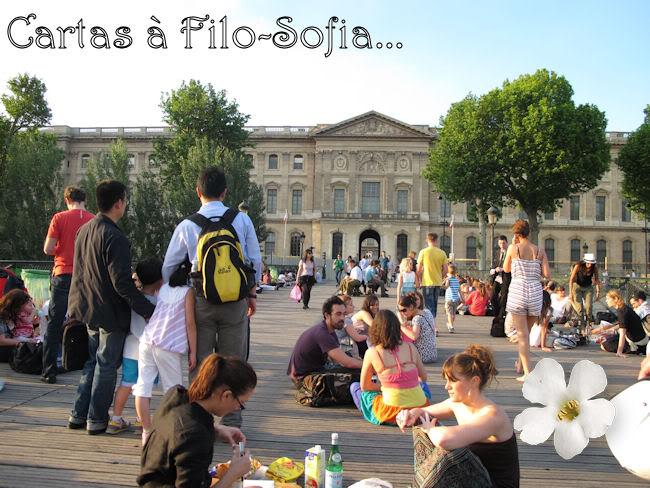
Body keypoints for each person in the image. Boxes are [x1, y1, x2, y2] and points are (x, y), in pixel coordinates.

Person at [162, 167, 261, 429]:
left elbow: (168, 267)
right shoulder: (241, 220)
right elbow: (253, 260)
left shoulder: (187, 225)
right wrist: (251, 293)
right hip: (235, 299)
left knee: (201, 361)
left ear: (198, 193)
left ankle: (198, 419)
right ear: (225, 192)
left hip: (200, 300)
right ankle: (232, 420)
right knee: (234, 361)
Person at [67, 180, 156, 435]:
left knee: (92, 362)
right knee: (106, 365)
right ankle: (96, 419)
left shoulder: (84, 229)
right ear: (119, 202)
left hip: (86, 306)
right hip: (108, 310)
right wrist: (150, 311)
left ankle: (78, 414)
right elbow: (122, 285)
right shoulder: (115, 237)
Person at [397, 344, 519, 488]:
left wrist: (430, 429)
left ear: (474, 381)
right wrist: (409, 414)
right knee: (420, 422)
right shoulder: (458, 403)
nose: (446, 386)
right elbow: (423, 412)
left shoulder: (493, 415)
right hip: (472, 477)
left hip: (493, 484)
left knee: (450, 447)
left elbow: (444, 439)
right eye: (446, 381)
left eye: (453, 381)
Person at [138, 353, 256, 487]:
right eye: (241, 403)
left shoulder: (177, 395)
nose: (237, 408)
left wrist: (217, 428)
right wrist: (233, 473)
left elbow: (181, 426)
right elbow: (189, 434)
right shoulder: (195, 435)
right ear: (227, 395)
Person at [134, 258, 198, 445]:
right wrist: (193, 352)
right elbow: (190, 323)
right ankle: (174, 431)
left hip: (147, 340)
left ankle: (147, 432)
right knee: (174, 391)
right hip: (168, 345)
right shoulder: (188, 292)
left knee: (143, 387)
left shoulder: (162, 289)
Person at [41, 185, 95, 384]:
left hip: (63, 273)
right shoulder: (93, 219)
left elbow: (48, 248)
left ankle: (49, 370)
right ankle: (87, 365)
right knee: (88, 321)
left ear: (66, 200)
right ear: (85, 201)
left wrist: (61, 248)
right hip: (85, 276)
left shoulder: (59, 218)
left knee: (55, 323)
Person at [107, 258, 163, 435]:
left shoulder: (133, 298)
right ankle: (142, 421)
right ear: (160, 280)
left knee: (126, 383)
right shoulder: (159, 303)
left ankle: (115, 419)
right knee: (145, 387)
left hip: (131, 347)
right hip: (151, 351)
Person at [350, 309, 431, 425]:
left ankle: (368, 411)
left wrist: (385, 387)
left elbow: (365, 387)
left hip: (391, 412)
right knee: (423, 386)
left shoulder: (372, 352)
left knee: (355, 387)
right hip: (419, 409)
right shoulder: (410, 347)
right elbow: (423, 378)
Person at [504, 219, 550, 381]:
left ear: (516, 234)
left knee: (522, 335)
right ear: (529, 232)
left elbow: (506, 269)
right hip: (535, 292)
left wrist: (513, 245)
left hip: (518, 291)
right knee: (527, 334)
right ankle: (520, 365)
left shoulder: (513, 248)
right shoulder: (539, 251)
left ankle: (527, 373)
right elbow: (546, 274)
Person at [287, 296, 362, 386]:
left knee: (355, 367)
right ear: (327, 315)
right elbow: (348, 363)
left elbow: (338, 359)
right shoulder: (322, 334)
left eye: (344, 314)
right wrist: (370, 365)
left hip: (316, 370)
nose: (342, 318)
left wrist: (355, 361)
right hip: (305, 379)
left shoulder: (330, 331)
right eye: (338, 314)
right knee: (356, 376)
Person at [599, 290, 648, 357]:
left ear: (615, 299)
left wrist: (619, 352)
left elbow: (622, 332)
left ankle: (635, 350)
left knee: (604, 345)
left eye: (608, 299)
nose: (606, 301)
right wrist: (609, 332)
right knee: (606, 340)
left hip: (637, 344)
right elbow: (623, 325)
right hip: (639, 339)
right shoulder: (623, 308)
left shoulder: (622, 311)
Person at [0, 290, 38, 362]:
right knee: (28, 351)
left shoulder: (11, 314)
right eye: (25, 304)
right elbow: (1, 341)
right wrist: (24, 342)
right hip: (3, 348)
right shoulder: (2, 316)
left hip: (8, 345)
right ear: (16, 305)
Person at [398, 293, 437, 363]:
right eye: (400, 311)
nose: (402, 313)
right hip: (432, 353)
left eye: (404, 310)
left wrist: (401, 327)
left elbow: (414, 336)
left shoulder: (417, 319)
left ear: (411, 307)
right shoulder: (427, 312)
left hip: (422, 356)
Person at [417, 233, 448, 318]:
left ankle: (432, 325)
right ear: (436, 241)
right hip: (437, 282)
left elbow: (419, 269)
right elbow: (446, 269)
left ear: (427, 240)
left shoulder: (423, 252)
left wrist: (419, 280)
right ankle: (434, 324)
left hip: (427, 282)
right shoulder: (442, 253)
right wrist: (440, 277)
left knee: (428, 306)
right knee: (434, 304)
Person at [568, 253, 600, 323]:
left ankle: (589, 323)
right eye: (588, 263)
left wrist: (598, 292)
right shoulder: (578, 266)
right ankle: (581, 324)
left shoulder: (594, 268)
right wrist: (570, 293)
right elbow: (571, 279)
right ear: (585, 262)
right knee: (579, 308)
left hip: (588, 287)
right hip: (577, 286)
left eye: (591, 263)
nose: (590, 265)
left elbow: (597, 280)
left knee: (589, 307)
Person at [333, 295, 367, 359]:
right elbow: (357, 338)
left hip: (337, 345)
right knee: (364, 342)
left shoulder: (338, 318)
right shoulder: (346, 320)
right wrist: (368, 337)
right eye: (351, 305)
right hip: (344, 348)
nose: (353, 306)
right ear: (343, 307)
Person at [442, 264, 461, 333]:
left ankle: (451, 326)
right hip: (456, 299)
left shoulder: (449, 279)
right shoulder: (457, 280)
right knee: (453, 314)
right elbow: (460, 290)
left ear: (448, 273)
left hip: (449, 299)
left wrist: (441, 284)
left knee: (449, 313)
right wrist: (462, 298)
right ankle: (451, 324)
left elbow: (446, 287)